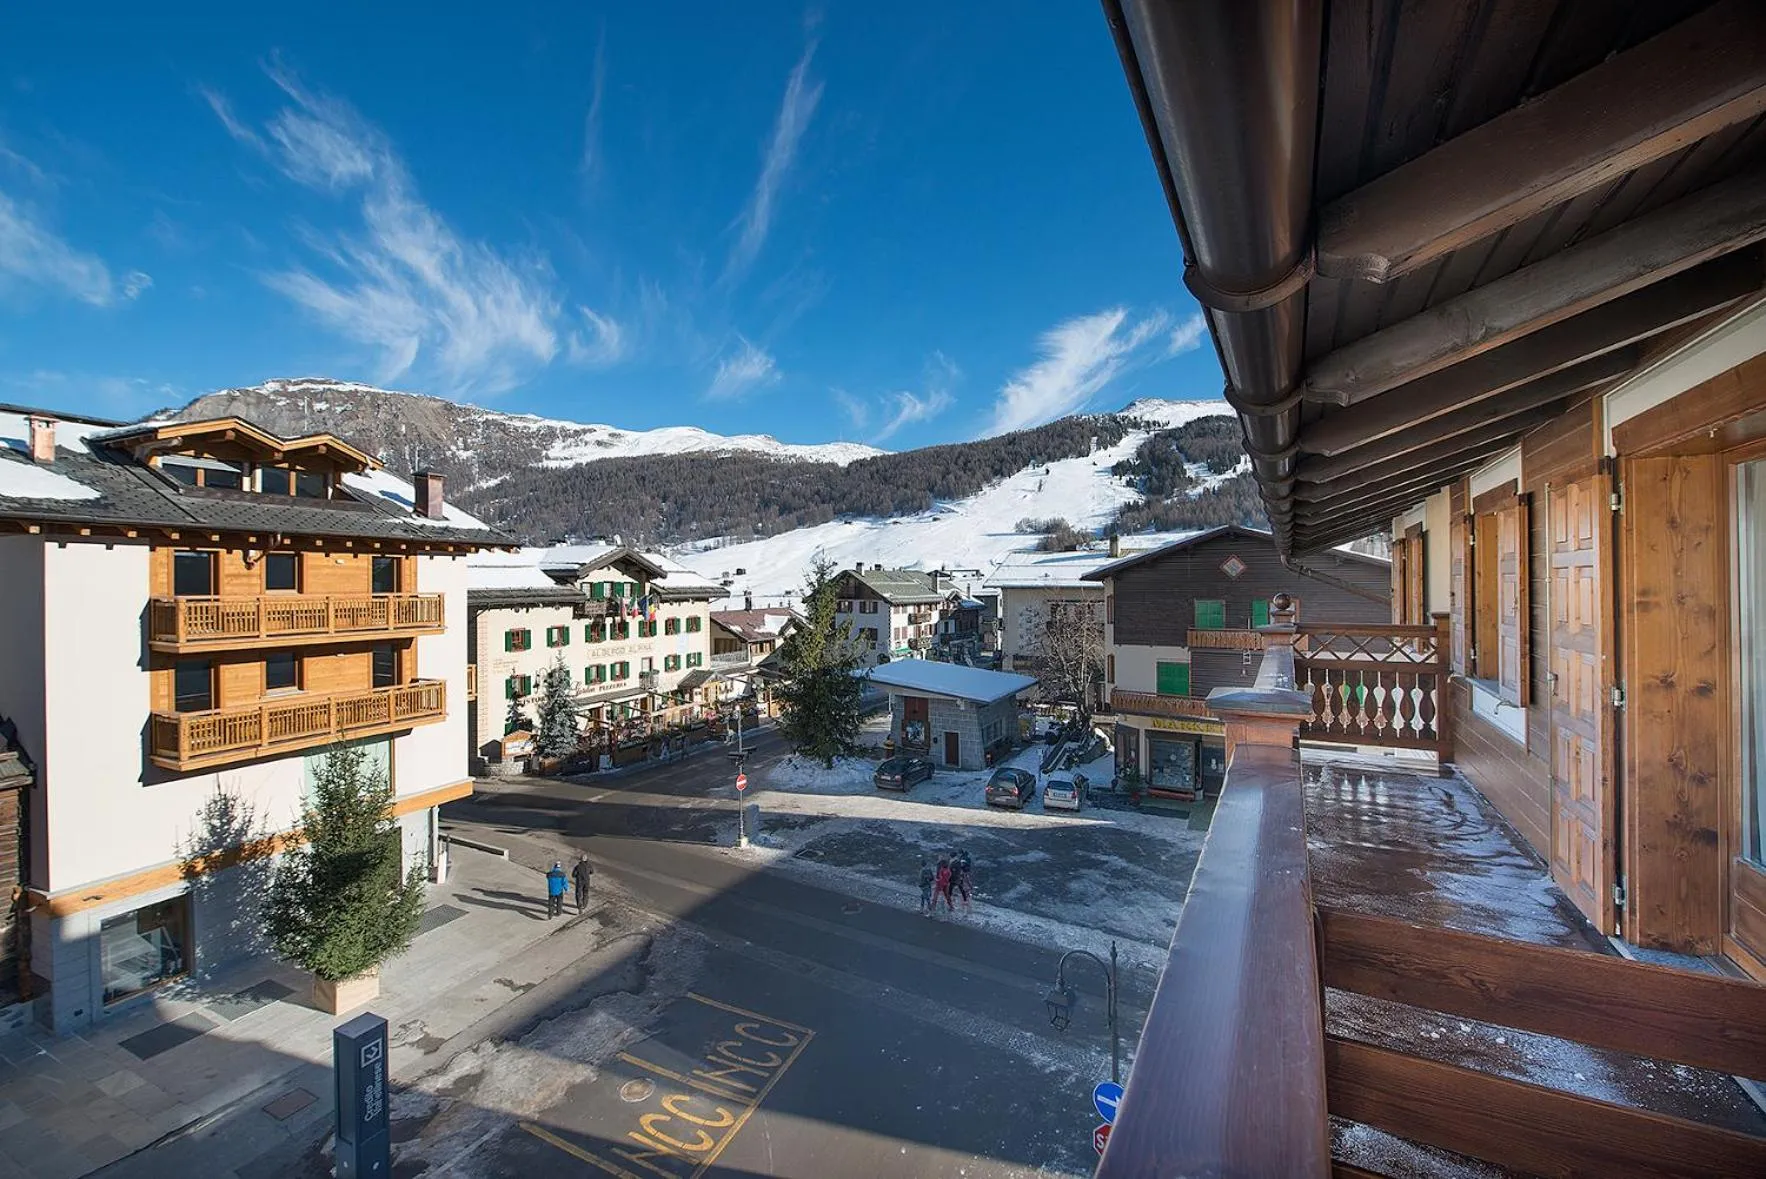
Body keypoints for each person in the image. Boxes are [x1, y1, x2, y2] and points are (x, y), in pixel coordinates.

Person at [953, 848, 973, 912]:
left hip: (963, 875)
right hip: (966, 874)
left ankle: (964, 907)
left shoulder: (963, 858)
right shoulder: (968, 858)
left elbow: (961, 865)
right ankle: (968, 907)